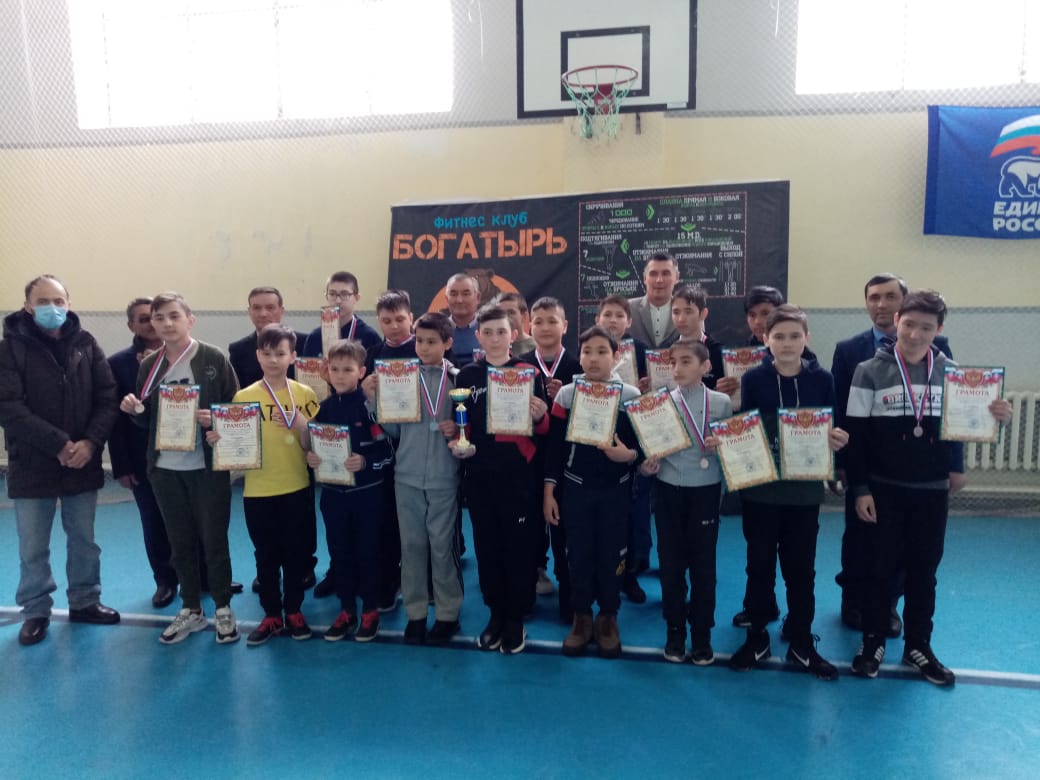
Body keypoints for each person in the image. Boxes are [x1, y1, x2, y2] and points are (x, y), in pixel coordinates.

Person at [846, 290, 1012, 685]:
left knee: (924, 570)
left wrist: (996, 415)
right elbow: (857, 436)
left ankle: (919, 645)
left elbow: (962, 428)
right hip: (883, 489)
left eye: (926, 327)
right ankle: (872, 642)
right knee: (880, 568)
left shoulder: (953, 373)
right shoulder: (868, 371)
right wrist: (860, 488)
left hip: (931, 491)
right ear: (897, 321)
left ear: (939, 329)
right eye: (909, 325)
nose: (915, 334)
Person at [727, 305, 847, 680]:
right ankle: (757, 637)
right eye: (779, 336)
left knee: (801, 570)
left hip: (803, 493)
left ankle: (801, 642)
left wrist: (837, 440)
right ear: (766, 340)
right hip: (761, 491)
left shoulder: (822, 379)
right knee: (759, 567)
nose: (787, 343)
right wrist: (730, 440)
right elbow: (746, 426)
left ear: (806, 338)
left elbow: (833, 424)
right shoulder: (754, 379)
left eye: (795, 335)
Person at [0, 274, 120, 646]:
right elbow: (8, 407)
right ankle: (36, 611)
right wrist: (58, 444)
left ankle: (85, 601)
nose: (52, 308)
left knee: (84, 540)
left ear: (68, 304)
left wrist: (90, 443)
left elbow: (107, 396)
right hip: (31, 463)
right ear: (27, 306)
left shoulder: (86, 343)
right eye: (43, 301)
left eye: (58, 301)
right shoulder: (9, 349)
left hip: (82, 461)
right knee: (33, 546)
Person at [831, 273, 952, 635]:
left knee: (911, 555)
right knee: (861, 539)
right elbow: (842, 413)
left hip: (923, 475)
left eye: (889, 297)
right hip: (871, 469)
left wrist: (958, 461)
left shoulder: (942, 355)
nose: (881, 304)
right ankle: (854, 601)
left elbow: (956, 412)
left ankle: (889, 608)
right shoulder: (850, 351)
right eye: (874, 297)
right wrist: (843, 466)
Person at [119, 292, 241, 645]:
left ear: (190, 319)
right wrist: (135, 411)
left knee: (214, 540)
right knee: (180, 541)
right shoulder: (149, 365)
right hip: (165, 469)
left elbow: (235, 407)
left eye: (174, 315)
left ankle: (222, 607)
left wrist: (214, 417)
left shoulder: (212, 357)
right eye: (159, 317)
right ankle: (191, 608)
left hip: (206, 467)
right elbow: (147, 419)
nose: (167, 323)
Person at [208, 324, 320, 646]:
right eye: (267, 353)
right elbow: (236, 444)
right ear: (258, 355)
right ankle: (271, 614)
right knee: (266, 556)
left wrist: (303, 427)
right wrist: (220, 439)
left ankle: (294, 610)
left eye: (280, 353)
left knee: (296, 555)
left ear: (293, 356)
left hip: (296, 486)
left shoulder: (305, 394)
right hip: (258, 491)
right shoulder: (244, 397)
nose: (273, 360)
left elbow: (316, 447)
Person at [454, 305, 550, 654]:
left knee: (518, 547)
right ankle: (495, 614)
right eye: (488, 332)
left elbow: (543, 429)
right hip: (480, 475)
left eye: (501, 332)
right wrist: (457, 442)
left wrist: (539, 416)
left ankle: (515, 618)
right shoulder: (466, 376)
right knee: (487, 546)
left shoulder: (528, 372)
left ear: (514, 335)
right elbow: (461, 423)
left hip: (518, 475)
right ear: (477, 336)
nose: (494, 338)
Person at [543, 326, 642, 658]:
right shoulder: (566, 395)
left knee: (613, 556)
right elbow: (554, 449)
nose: (594, 358)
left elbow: (644, 445)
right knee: (578, 555)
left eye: (602, 351)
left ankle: (608, 616)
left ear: (616, 356)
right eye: (587, 352)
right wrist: (549, 491)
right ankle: (581, 616)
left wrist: (629, 455)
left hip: (616, 491)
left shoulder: (630, 396)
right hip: (576, 490)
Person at [373, 312, 463, 646]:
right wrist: (375, 401)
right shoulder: (402, 379)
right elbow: (392, 430)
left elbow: (468, 427)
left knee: (442, 547)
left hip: (444, 477)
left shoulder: (459, 380)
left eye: (431, 342)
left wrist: (456, 430)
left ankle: (448, 613)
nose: (423, 348)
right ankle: (415, 614)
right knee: (411, 547)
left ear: (447, 343)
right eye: (419, 341)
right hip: (406, 476)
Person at [639, 340, 731, 665]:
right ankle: (675, 631)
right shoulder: (659, 402)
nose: (677, 368)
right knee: (671, 565)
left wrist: (723, 445)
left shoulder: (721, 403)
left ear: (706, 366)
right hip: (668, 491)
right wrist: (646, 466)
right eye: (673, 362)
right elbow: (647, 452)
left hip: (705, 491)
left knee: (704, 567)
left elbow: (733, 447)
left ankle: (702, 634)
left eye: (686, 361)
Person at [308, 339, 394, 642]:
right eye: (335, 369)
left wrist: (366, 461)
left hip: (367, 495)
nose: (340, 375)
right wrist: (312, 458)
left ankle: (370, 609)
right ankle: (346, 608)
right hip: (333, 496)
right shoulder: (323, 410)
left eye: (347, 369)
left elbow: (389, 451)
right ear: (327, 372)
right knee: (339, 551)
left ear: (361, 372)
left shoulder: (370, 408)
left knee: (368, 552)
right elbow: (314, 446)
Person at [228, 285, 312, 594]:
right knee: (265, 541)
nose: (263, 313)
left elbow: (315, 424)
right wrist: (224, 433)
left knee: (300, 528)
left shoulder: (304, 347)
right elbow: (235, 409)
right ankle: (270, 587)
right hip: (260, 468)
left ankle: (303, 570)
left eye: (270, 307)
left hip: (297, 462)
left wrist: (306, 427)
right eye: (257, 307)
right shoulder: (238, 353)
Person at [107, 297, 178, 608]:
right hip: (142, 458)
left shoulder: (187, 355)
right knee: (154, 520)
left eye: (156, 317)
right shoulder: (118, 364)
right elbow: (113, 418)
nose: (152, 324)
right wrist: (122, 465)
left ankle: (203, 574)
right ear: (131, 326)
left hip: (186, 454)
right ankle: (165, 580)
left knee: (195, 518)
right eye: (143, 319)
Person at [518, 297, 580, 619]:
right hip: (528, 458)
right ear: (529, 326)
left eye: (552, 321)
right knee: (529, 526)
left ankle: (568, 592)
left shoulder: (578, 367)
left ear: (564, 326)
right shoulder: (518, 366)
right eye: (538, 321)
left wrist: (565, 398)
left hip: (565, 459)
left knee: (563, 527)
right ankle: (527, 588)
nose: (544, 327)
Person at [362, 289, 416, 612]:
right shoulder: (372, 355)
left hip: (417, 446)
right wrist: (365, 392)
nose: (394, 326)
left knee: (416, 520)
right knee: (384, 518)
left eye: (399, 319)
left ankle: (421, 577)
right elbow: (362, 402)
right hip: (382, 450)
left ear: (411, 318)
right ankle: (388, 578)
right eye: (386, 320)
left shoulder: (424, 349)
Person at [300, 271, 381, 357]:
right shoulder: (314, 337)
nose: (338, 301)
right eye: (332, 294)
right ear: (326, 296)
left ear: (356, 298)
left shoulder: (369, 337)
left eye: (344, 294)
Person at [627, 251, 680, 348]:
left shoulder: (688, 310)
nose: (659, 280)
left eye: (665, 274)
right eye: (653, 274)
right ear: (644, 278)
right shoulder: (627, 308)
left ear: (677, 277)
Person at [444, 273, 481, 367]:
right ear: (447, 299)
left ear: (477, 297)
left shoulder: (489, 329)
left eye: (466, 294)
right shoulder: (438, 330)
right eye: (453, 294)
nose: (459, 300)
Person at [494, 292, 536, 356]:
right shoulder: (491, 346)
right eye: (501, 313)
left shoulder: (538, 347)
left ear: (524, 316)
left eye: (511, 312)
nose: (505, 317)